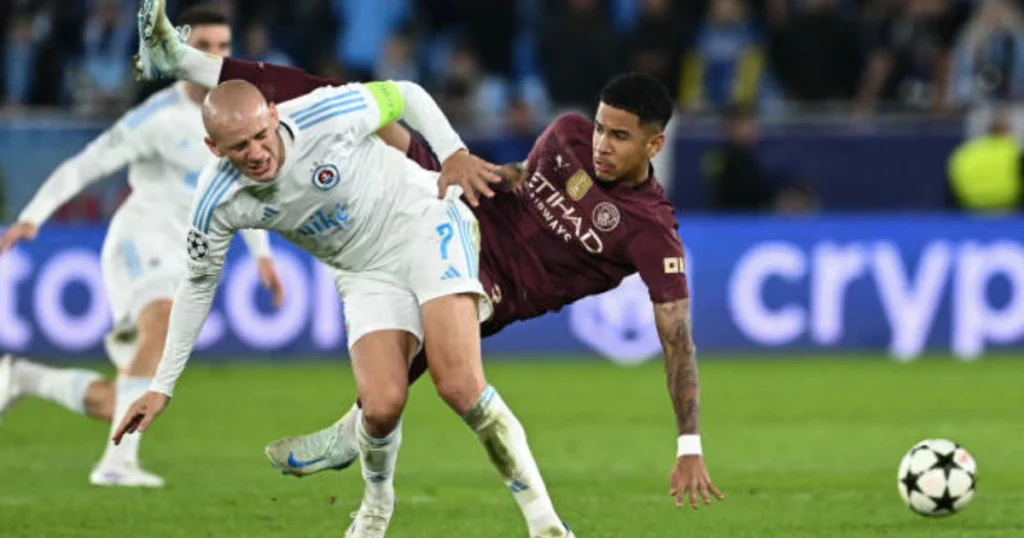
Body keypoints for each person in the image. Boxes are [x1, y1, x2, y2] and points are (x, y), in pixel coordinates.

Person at [174, 52, 724, 510]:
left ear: (654, 146)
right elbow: (526, 181)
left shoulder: (653, 234)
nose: (602, 144)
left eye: (620, 137)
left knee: (435, 370)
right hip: (461, 207)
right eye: (601, 126)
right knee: (351, 104)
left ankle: (355, 429)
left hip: (502, 283)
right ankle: (195, 64)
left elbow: (678, 343)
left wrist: (689, 443)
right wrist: (474, 168)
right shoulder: (569, 135)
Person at [115, 3, 575, 538]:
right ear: (212, 149)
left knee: (459, 385)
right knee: (380, 407)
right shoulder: (218, 200)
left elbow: (406, 94)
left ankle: (546, 526)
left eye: (262, 135)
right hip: (362, 271)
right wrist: (162, 386)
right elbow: (196, 287)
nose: (260, 153)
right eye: (240, 148)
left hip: (422, 221)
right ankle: (377, 508)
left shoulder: (321, 114)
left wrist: (452, 154)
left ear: (271, 113)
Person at [0, 5, 284, 488]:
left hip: (185, 258)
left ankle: (21, 378)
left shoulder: (235, 118)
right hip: (140, 241)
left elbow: (243, 191)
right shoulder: (158, 117)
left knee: (126, 398)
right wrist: (32, 216)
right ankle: (116, 465)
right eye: (204, 47)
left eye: (223, 47)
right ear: (182, 48)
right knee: (163, 320)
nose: (214, 57)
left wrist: (263, 258)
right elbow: (88, 164)